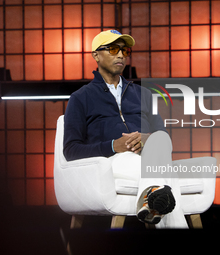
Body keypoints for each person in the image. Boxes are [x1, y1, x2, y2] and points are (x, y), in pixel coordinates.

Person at [63, 30, 188, 228]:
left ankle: (150, 199)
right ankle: (156, 196)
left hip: (149, 156)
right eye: (113, 49)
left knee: (161, 142)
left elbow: (163, 137)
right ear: (96, 55)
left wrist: (146, 139)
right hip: (111, 162)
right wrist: (114, 146)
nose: (121, 55)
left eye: (125, 50)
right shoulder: (80, 98)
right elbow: (71, 151)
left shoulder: (144, 94)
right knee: (167, 174)